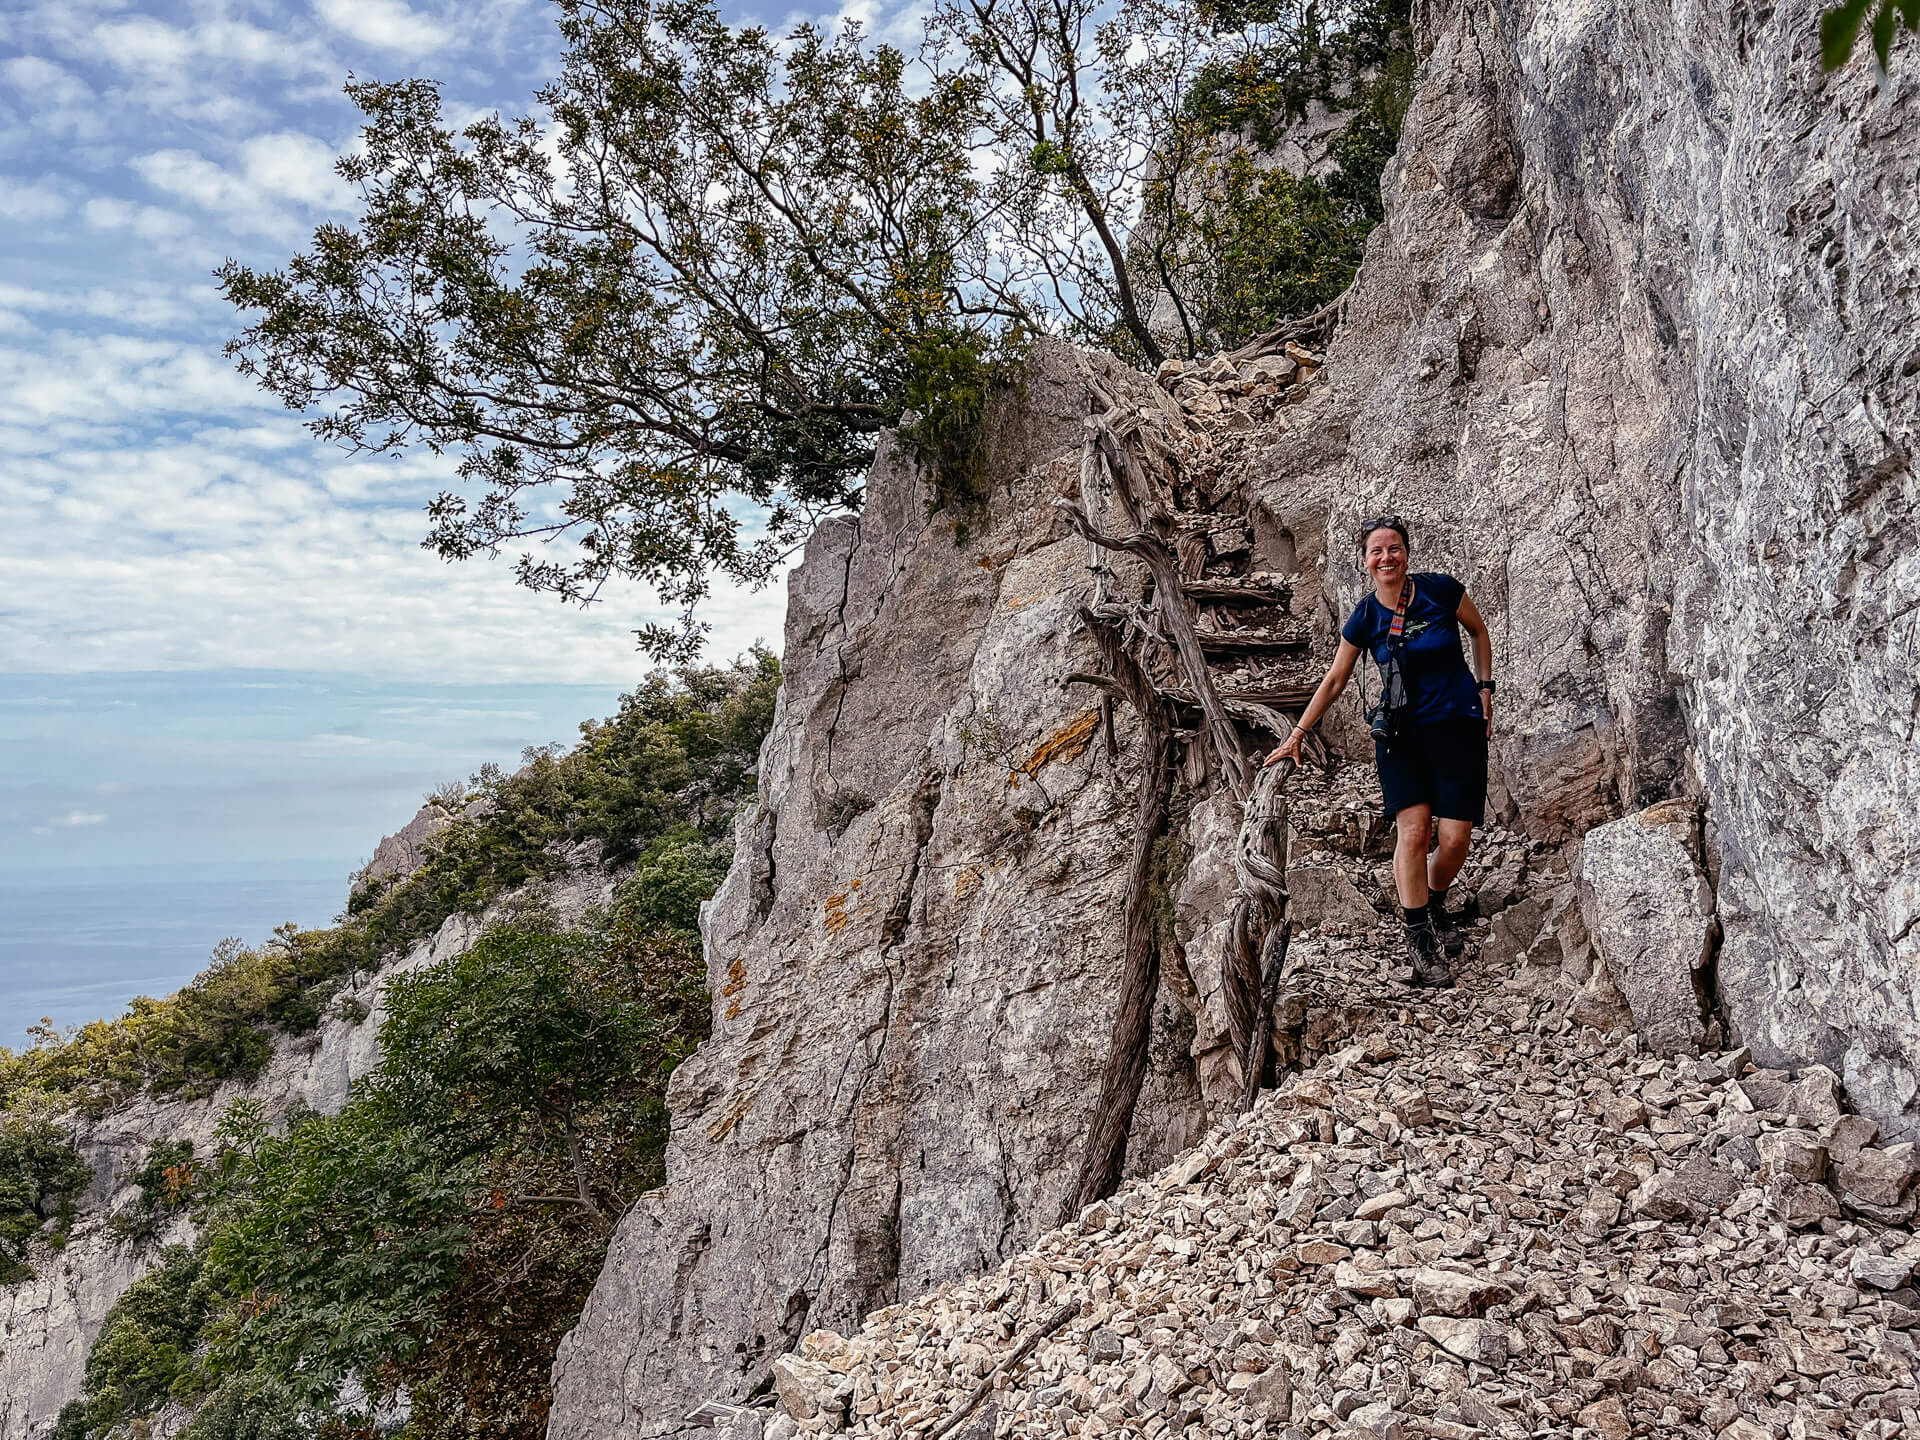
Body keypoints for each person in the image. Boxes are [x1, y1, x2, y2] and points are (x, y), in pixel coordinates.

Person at [1265, 516, 1494, 986]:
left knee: (1453, 840)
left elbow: (1480, 632)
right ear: (1365, 561)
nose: (1386, 557)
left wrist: (1485, 688)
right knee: (1412, 834)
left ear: (1407, 553)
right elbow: (1335, 679)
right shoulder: (1365, 616)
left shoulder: (1442, 591)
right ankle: (1420, 942)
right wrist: (1298, 733)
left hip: (1457, 728)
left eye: (1394, 548)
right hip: (1401, 738)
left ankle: (1430, 902)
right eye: (1376, 551)